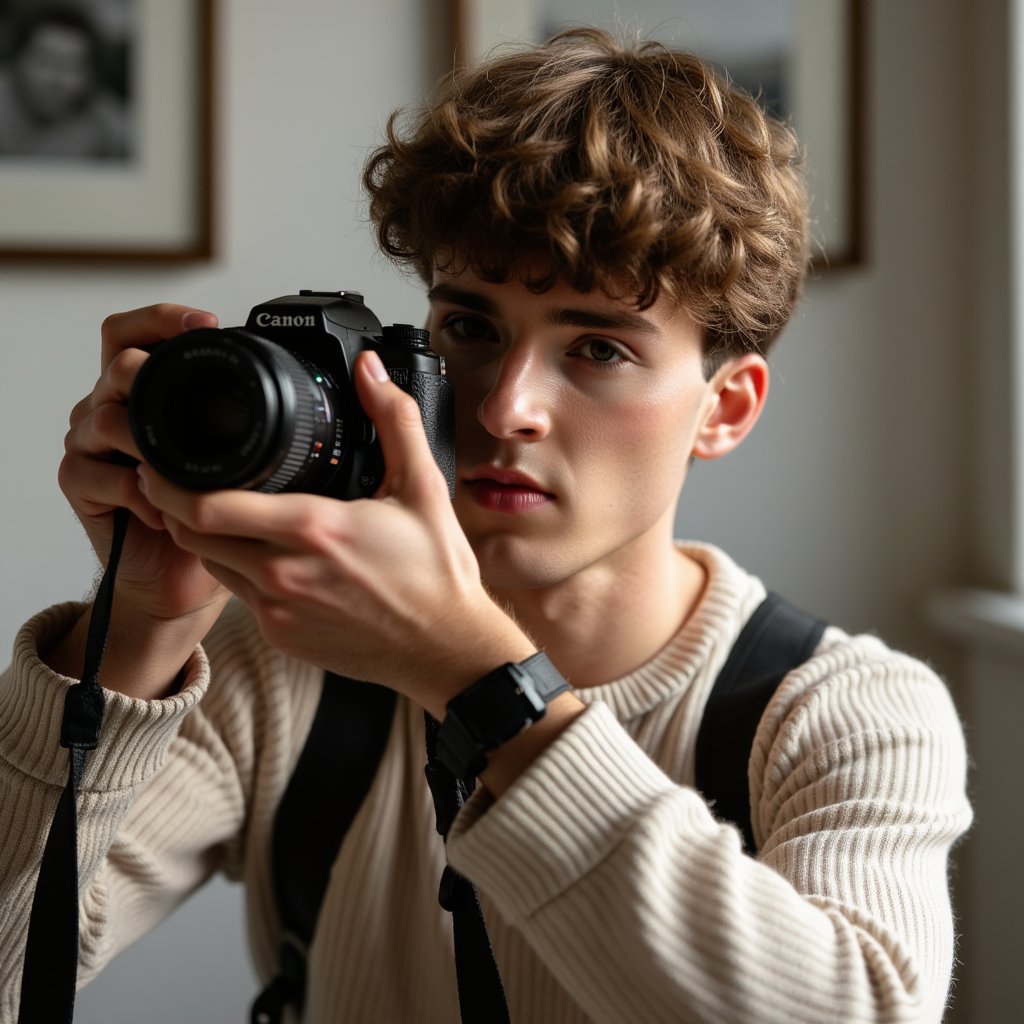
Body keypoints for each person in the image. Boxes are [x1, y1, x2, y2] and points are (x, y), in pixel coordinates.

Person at [0, 27, 971, 1024]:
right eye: (470, 328)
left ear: (723, 408)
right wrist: (140, 627)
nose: (506, 406)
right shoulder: (286, 668)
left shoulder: (840, 713)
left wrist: (477, 685)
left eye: (596, 346)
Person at [0, 4, 129, 160]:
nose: (56, 79)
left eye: (72, 67)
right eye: (45, 61)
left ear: (91, 76)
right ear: (16, 61)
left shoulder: (107, 125)